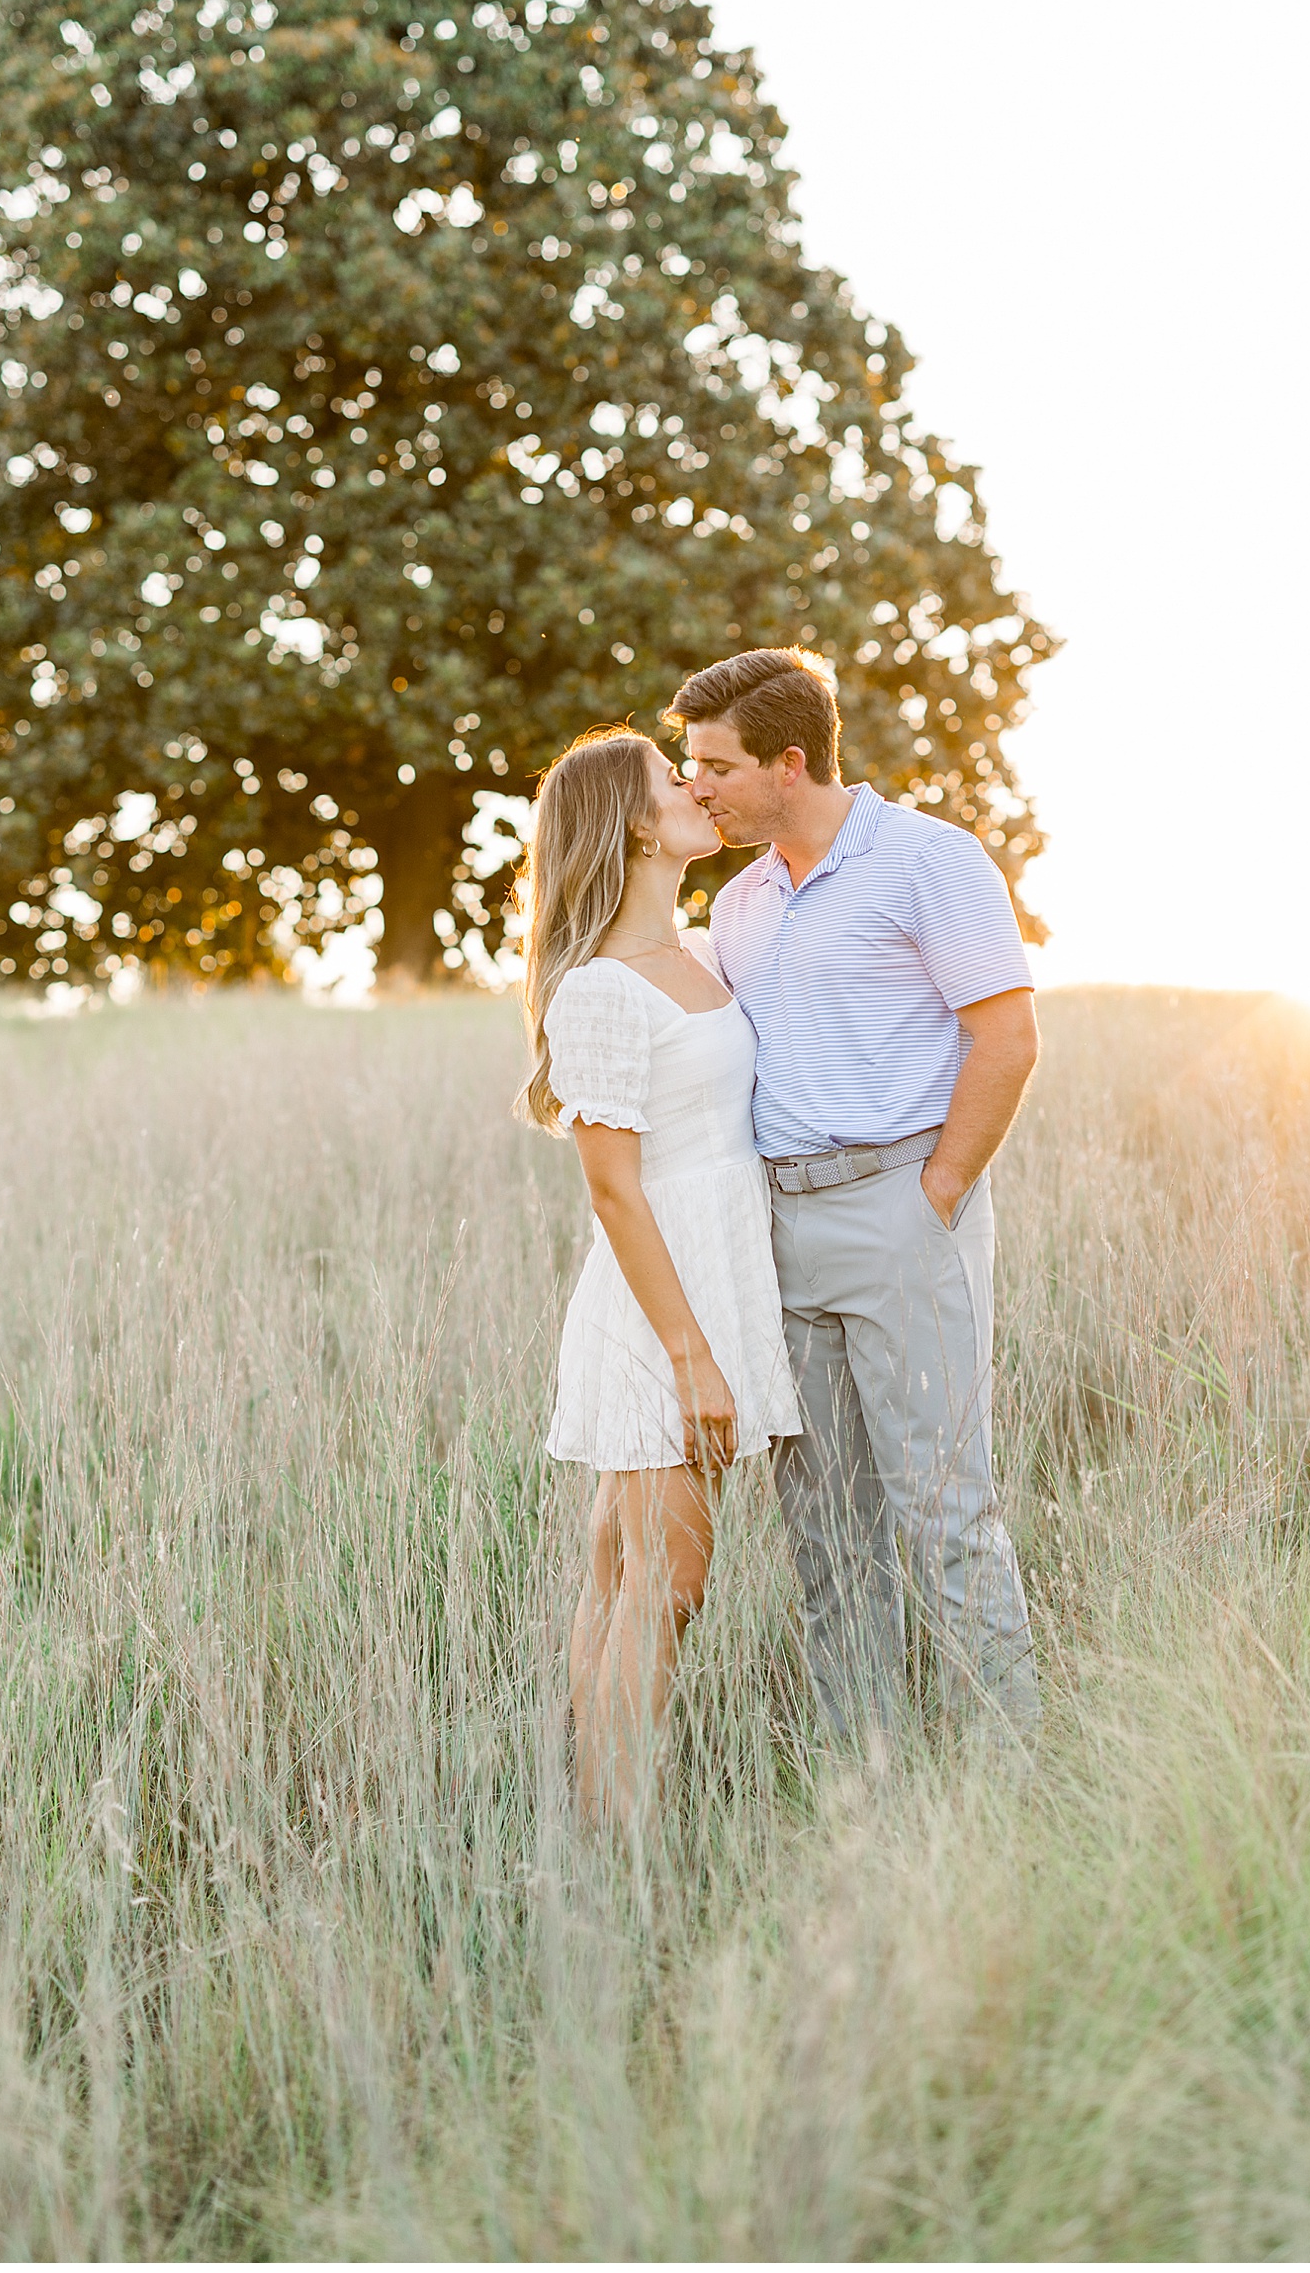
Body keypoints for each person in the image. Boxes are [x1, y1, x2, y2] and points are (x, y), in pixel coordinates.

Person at [667, 648, 1042, 1747]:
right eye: (692, 766)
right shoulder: (741, 903)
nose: (696, 784)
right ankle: (863, 1772)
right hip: (780, 1227)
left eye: (717, 765)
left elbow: (1008, 1037)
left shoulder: (929, 859)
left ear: (790, 762)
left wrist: (937, 1195)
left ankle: (1006, 1771)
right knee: (826, 1529)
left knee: (944, 1510)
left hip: (901, 1211)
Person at [514, 725, 802, 1829]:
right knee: (668, 1582)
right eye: (671, 779)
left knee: (623, 1569)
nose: (695, 786)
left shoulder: (701, 954)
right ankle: (617, 1835)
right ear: (634, 825)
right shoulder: (599, 992)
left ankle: (591, 1821)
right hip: (656, 1308)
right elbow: (614, 1190)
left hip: (712, 1278)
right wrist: (692, 1354)